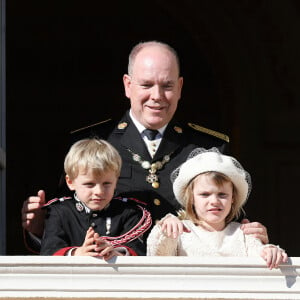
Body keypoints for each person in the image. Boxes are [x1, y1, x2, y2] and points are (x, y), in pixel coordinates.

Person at [22, 40, 268, 253]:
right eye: (147, 85)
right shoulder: (90, 144)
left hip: (185, 279)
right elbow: (63, 222)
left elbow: (230, 221)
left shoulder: (209, 149)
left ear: (180, 87)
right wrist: (37, 229)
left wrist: (249, 236)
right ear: (128, 85)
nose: (157, 95)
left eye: (167, 86)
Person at [146, 148, 288, 270]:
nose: (214, 201)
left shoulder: (243, 234)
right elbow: (157, 257)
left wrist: (270, 251)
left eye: (222, 195)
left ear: (233, 198)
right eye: (205, 194)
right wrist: (166, 229)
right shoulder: (180, 231)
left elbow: (260, 254)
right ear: (192, 199)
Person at [40, 138, 152, 257]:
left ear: (116, 180)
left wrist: (116, 254)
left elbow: (139, 254)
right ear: (70, 182)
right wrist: (77, 253)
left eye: (106, 184)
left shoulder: (129, 213)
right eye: (90, 184)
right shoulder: (60, 212)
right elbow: (49, 252)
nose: (99, 191)